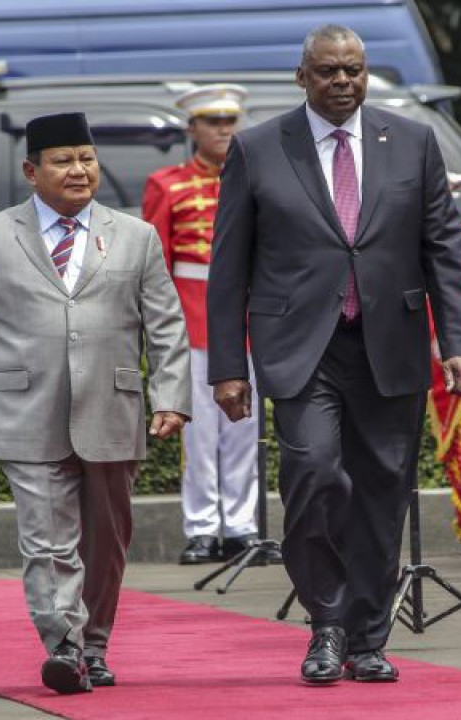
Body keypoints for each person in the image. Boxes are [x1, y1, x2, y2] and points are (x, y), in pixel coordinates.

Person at [206, 25, 461, 684]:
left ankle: (366, 638)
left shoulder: (411, 142)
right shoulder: (258, 148)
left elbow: (444, 248)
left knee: (383, 495)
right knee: (314, 478)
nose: (342, 82)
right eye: (328, 71)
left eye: (353, 70)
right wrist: (226, 366)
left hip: (390, 346)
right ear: (302, 76)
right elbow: (228, 267)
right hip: (302, 351)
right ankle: (325, 622)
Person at [0, 112, 192, 693]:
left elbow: (166, 325)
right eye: (63, 161)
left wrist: (170, 395)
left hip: (112, 407)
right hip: (26, 411)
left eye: (86, 159)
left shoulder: (136, 236)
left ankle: (94, 644)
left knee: (105, 539)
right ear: (31, 171)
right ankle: (64, 644)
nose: (78, 170)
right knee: (46, 539)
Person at [143, 84, 280, 566]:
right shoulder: (167, 184)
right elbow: (156, 262)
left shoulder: (262, 177)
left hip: (251, 319)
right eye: (212, 121)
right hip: (195, 316)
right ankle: (202, 527)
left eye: (229, 121)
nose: (223, 130)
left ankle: (240, 526)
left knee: (245, 430)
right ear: (192, 128)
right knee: (199, 432)